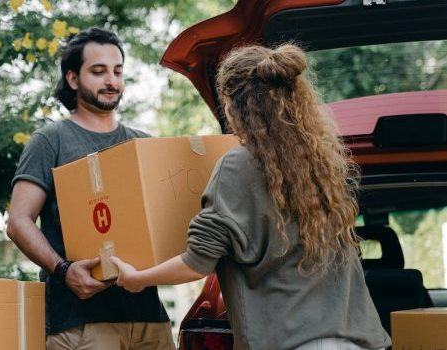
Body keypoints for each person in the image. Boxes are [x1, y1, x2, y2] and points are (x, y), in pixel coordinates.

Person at [110, 44, 392, 350]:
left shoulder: (237, 166)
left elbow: (197, 263)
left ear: (233, 105)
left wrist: (138, 278)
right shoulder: (322, 165)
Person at [7, 27, 174, 350]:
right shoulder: (50, 141)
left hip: (150, 320)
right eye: (98, 72)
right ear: (73, 79)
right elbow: (18, 221)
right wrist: (64, 270)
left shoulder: (144, 144)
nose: (111, 81)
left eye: (117, 71)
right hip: (82, 323)